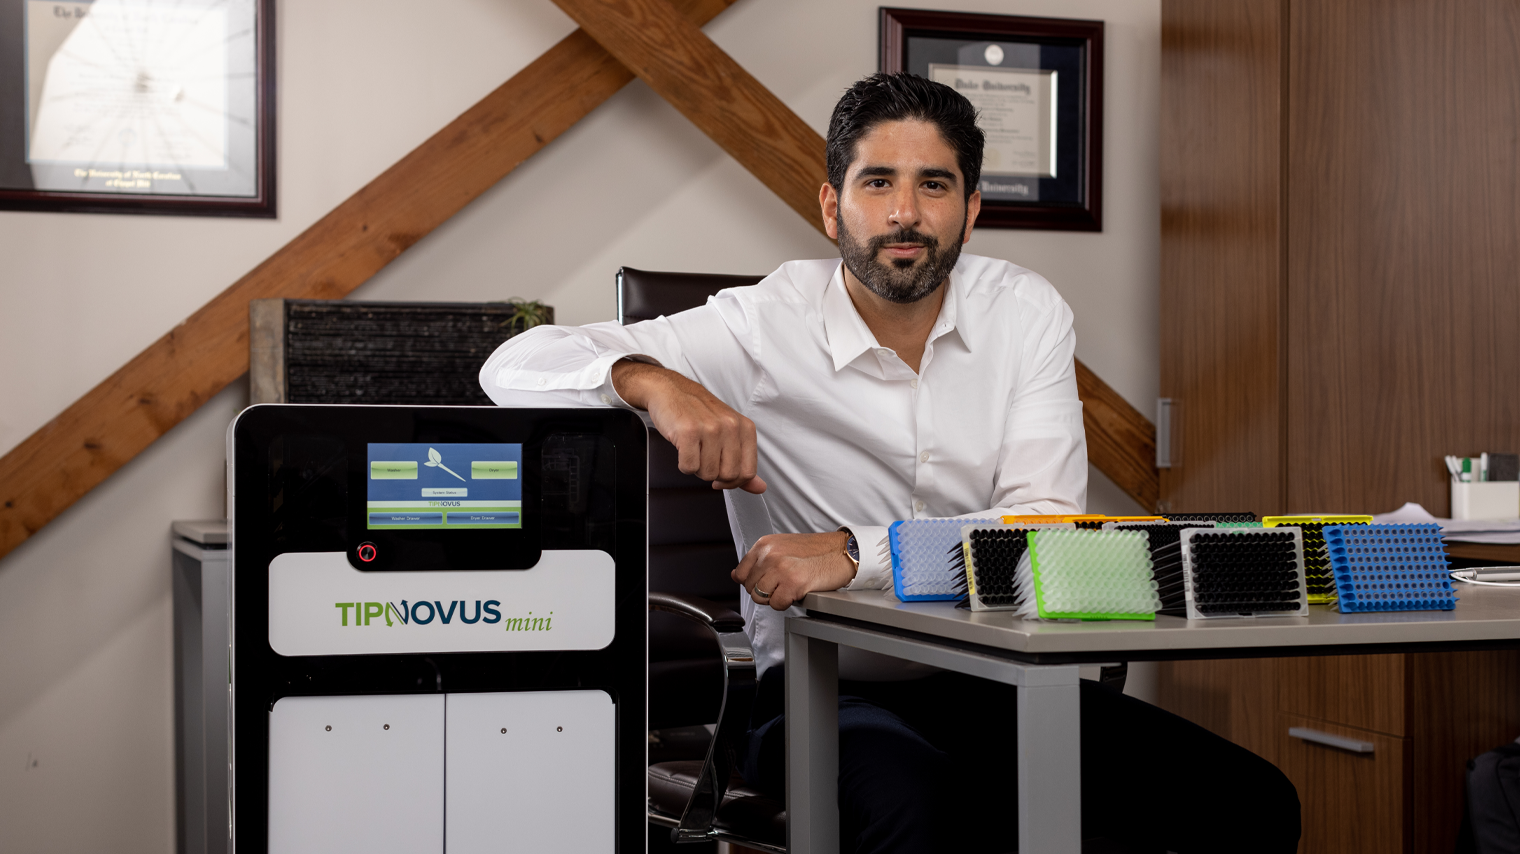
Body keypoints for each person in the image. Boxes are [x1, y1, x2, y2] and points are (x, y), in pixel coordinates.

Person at [480, 72, 1299, 853]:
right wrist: (651, 381)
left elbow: (1046, 528)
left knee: (1253, 805)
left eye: (934, 186)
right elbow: (510, 367)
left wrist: (852, 553)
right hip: (818, 691)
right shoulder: (762, 325)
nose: (905, 212)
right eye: (877, 183)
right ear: (832, 205)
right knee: (918, 804)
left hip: (997, 679)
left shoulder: (1025, 314)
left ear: (972, 210)